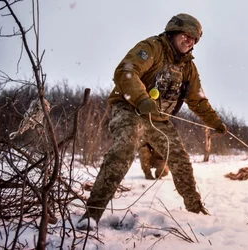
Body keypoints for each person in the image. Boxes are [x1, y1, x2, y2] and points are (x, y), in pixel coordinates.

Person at [78, 13, 227, 229]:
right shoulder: (152, 47)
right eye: (186, 35)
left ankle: (196, 211)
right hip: (130, 109)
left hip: (158, 119)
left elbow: (197, 99)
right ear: (173, 32)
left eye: (194, 39)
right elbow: (126, 71)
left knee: (181, 160)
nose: (190, 41)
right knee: (125, 149)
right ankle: (92, 214)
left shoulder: (188, 68)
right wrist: (141, 99)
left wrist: (215, 122)